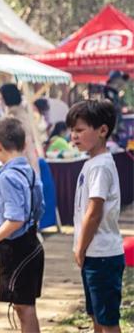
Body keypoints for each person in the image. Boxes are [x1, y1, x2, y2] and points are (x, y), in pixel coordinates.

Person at [0, 117, 45, 333]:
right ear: (23, 145)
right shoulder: (29, 170)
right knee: (24, 306)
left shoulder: (7, 177)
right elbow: (36, 208)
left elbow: (15, 220)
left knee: (24, 308)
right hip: (32, 244)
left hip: (18, 251)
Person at [66, 100, 124, 333]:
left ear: (102, 130)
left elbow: (94, 212)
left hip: (102, 255)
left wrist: (80, 247)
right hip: (94, 255)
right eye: (72, 130)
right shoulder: (93, 163)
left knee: (108, 320)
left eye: (80, 130)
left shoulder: (100, 166)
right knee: (96, 314)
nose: (74, 136)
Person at [0, 83, 40, 175]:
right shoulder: (21, 113)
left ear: (6, 98)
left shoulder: (14, 117)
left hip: (22, 166)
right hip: (28, 163)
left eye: (1, 98)